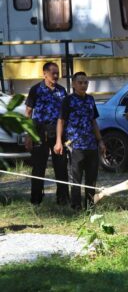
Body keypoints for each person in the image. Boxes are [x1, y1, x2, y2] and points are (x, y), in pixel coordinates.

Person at [54, 72, 106, 210]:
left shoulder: (90, 99)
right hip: (75, 144)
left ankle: (90, 205)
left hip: (91, 144)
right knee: (76, 177)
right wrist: (58, 141)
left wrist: (100, 140)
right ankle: (76, 205)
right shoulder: (68, 100)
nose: (83, 85)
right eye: (80, 82)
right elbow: (61, 121)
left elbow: (93, 121)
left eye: (85, 82)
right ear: (73, 84)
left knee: (91, 177)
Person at [24, 62, 69, 205]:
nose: (56, 76)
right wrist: (28, 135)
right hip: (39, 131)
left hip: (58, 132)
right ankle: (36, 200)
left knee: (61, 167)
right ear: (45, 74)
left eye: (57, 73)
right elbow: (28, 113)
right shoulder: (35, 90)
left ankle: (62, 199)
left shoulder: (61, 91)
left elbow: (66, 114)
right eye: (53, 73)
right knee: (38, 167)